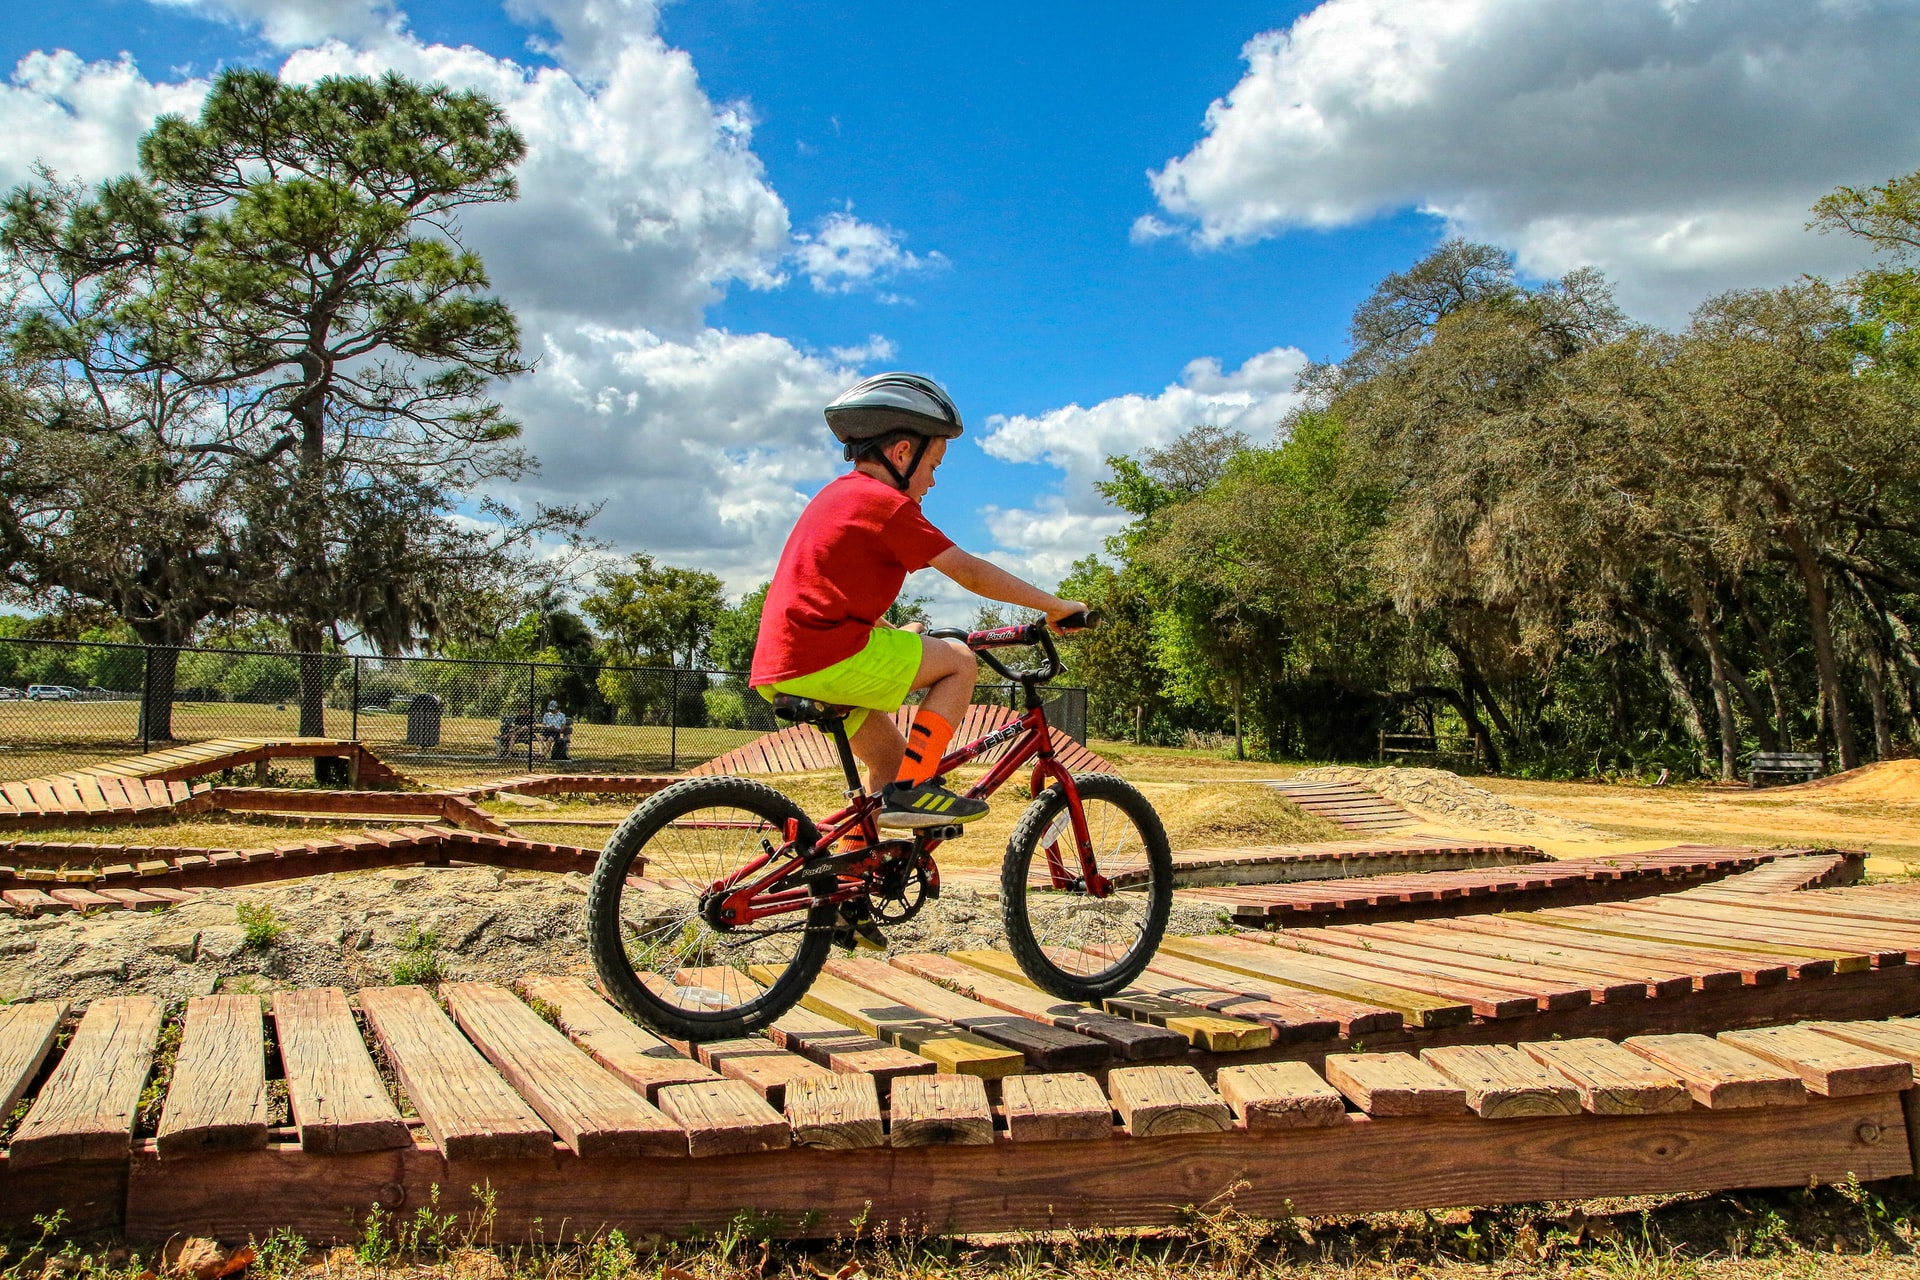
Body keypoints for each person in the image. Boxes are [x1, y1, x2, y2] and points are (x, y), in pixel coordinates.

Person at [750, 372, 1085, 830]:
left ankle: (847, 885)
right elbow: (968, 570)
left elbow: (829, 596)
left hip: (784, 662)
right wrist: (1055, 604)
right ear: (902, 453)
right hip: (826, 656)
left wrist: (891, 634)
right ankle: (915, 791)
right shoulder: (883, 503)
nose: (931, 481)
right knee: (961, 661)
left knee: (888, 763)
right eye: (934, 465)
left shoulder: (837, 497)